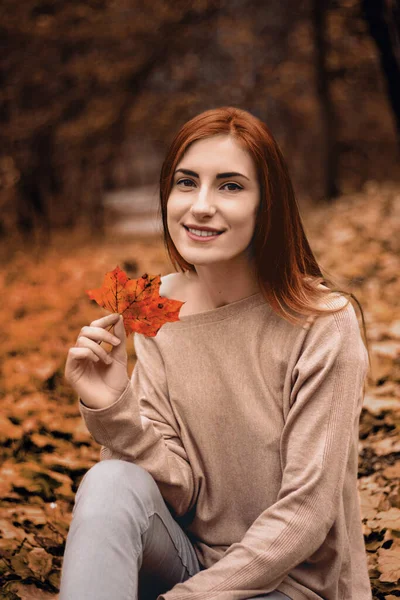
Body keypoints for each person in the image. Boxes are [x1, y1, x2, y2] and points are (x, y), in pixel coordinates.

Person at [59, 107, 372, 600]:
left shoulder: (323, 321)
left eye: (230, 186)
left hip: (290, 586)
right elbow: (178, 487)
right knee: (109, 481)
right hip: (186, 561)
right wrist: (113, 405)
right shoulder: (157, 307)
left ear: (268, 204)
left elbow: (306, 513)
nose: (200, 205)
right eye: (186, 182)